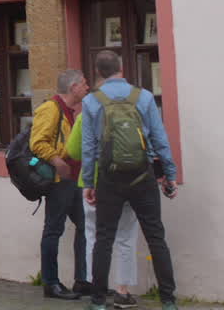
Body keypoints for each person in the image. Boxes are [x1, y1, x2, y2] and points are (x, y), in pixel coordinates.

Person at [82, 50, 179, 310]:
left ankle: (98, 301)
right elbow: (160, 140)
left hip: (110, 178)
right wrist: (169, 175)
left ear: (99, 74)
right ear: (121, 70)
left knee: (104, 238)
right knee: (155, 236)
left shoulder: (92, 101)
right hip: (142, 176)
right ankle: (168, 301)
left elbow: (88, 147)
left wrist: (89, 182)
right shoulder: (144, 97)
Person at [68, 79, 141, 309]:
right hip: (129, 181)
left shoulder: (84, 116)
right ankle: (122, 291)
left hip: (94, 184)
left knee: (93, 235)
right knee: (126, 237)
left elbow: (73, 150)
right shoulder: (135, 110)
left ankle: (96, 288)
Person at [31, 67, 91, 300]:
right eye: (84, 83)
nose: (87, 87)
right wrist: (57, 161)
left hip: (75, 178)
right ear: (73, 87)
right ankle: (51, 283)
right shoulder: (51, 108)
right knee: (53, 229)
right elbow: (38, 143)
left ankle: (82, 280)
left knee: (85, 226)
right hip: (59, 180)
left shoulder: (71, 110)